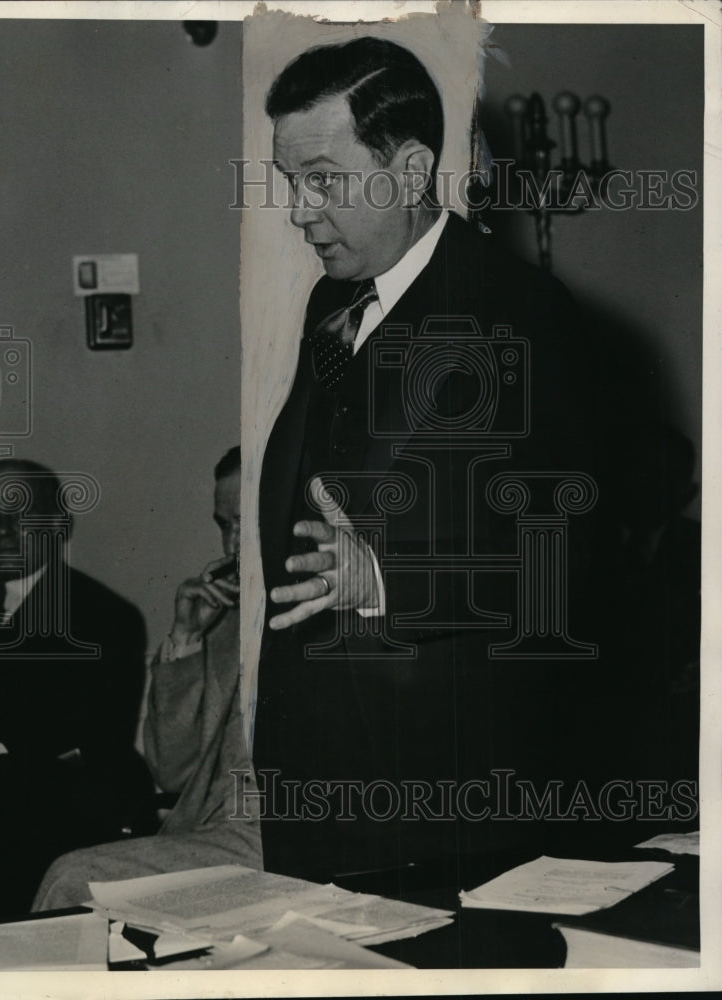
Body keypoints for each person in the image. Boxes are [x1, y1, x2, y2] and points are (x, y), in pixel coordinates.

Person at [253, 37, 609, 884]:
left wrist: (384, 576)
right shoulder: (331, 303)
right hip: (315, 790)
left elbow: (566, 548)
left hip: (449, 805)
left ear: (410, 171)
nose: (300, 212)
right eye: (290, 184)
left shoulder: (517, 312)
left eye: (324, 181)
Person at [32, 447, 261, 912]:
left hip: (280, 833)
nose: (232, 546)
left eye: (246, 522)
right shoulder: (222, 621)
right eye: (223, 526)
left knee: (71, 879)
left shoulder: (332, 615)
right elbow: (173, 770)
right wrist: (185, 639)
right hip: (211, 834)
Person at [0, 458, 155, 921]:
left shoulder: (102, 616)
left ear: (59, 526)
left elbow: (89, 739)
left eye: (18, 517)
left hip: (50, 801)